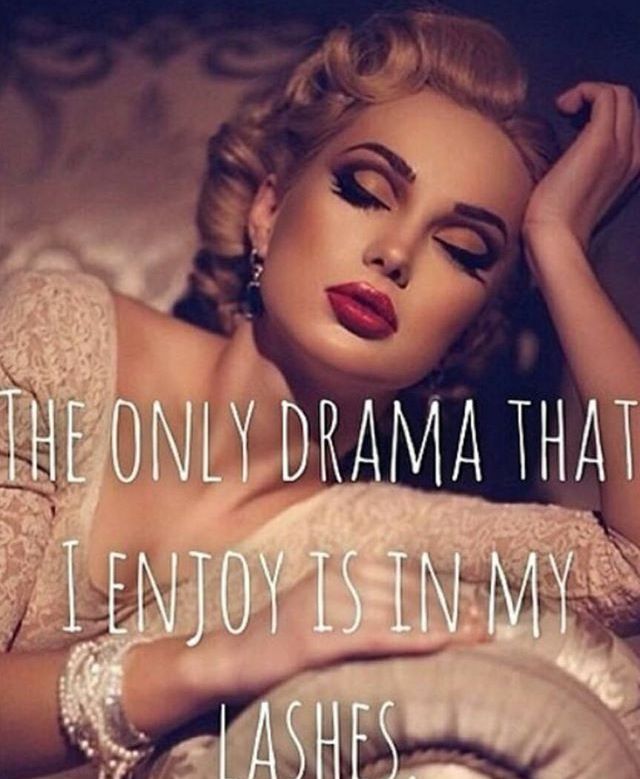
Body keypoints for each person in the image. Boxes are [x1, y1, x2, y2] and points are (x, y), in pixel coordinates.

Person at [1, 5, 640, 778]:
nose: (395, 252)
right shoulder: (59, 337)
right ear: (268, 210)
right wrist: (218, 659)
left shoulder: (371, 539)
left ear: (471, 329)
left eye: (462, 249)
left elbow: (631, 566)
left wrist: (559, 245)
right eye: (365, 190)